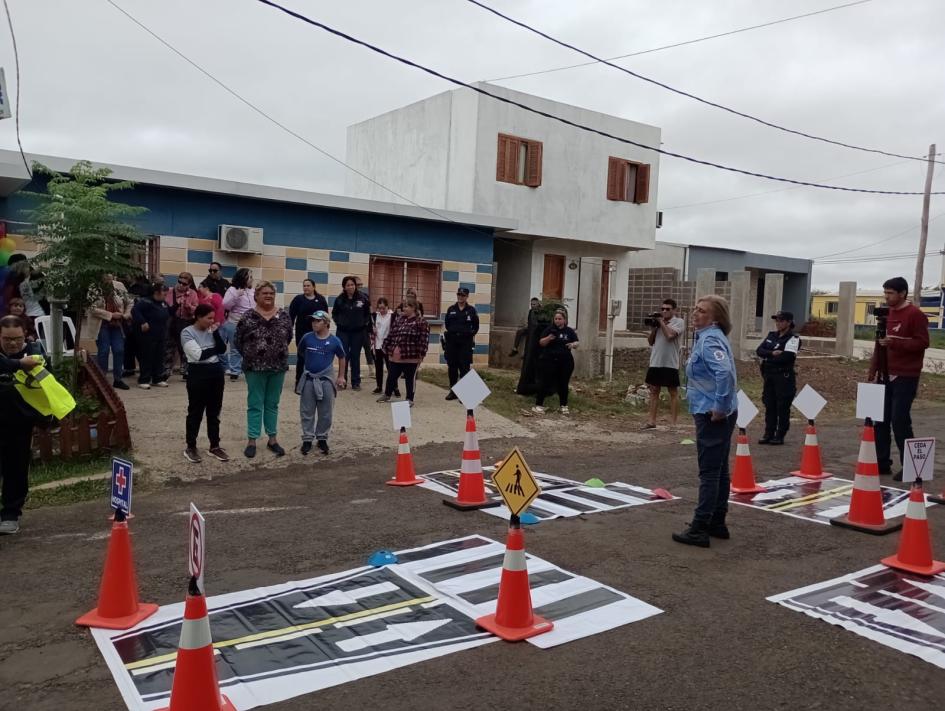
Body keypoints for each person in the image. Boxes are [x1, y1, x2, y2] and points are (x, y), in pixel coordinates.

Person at [672, 295, 738, 548]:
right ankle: (717, 521)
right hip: (714, 410)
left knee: (709, 472)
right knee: (719, 470)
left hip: (712, 413)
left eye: (701, 311)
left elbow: (725, 374)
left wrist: (719, 407)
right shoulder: (708, 337)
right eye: (695, 309)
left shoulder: (710, 339)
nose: (695, 314)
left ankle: (700, 527)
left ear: (715, 317)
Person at [868, 276, 930, 480]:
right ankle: (882, 462)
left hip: (905, 375)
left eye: (890, 293)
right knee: (881, 419)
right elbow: (880, 343)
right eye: (885, 292)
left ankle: (911, 467)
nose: (886, 297)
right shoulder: (886, 314)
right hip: (885, 373)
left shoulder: (915, 315)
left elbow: (922, 343)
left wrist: (895, 343)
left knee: (900, 420)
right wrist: (873, 369)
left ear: (902, 293)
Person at [234, 281, 293, 459]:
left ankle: (272, 439)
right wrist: (252, 354)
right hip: (254, 368)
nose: (268, 295)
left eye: (271, 293)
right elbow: (238, 340)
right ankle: (252, 440)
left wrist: (275, 352)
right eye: (264, 293)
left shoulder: (283, 315)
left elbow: (288, 337)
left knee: (272, 403)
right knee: (255, 403)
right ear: (256, 296)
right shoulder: (248, 316)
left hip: (278, 367)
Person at [0, 316, 46, 534]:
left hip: (19, 423)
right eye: (7, 339)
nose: (12, 343)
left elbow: (49, 384)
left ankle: (10, 513)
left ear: (25, 335)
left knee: (16, 469)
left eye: (17, 339)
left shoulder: (35, 354)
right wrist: (18, 365)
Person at [181, 304, 229, 464]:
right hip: (198, 374)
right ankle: (191, 446)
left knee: (214, 412)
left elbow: (222, 349)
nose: (212, 321)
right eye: (208, 318)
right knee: (195, 411)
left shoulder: (212, 331)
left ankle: (214, 445)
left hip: (216, 373)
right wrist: (213, 350)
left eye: (213, 317)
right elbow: (198, 355)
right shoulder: (187, 332)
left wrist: (215, 333)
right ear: (198, 317)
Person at [296, 310, 347, 455]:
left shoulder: (335, 341)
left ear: (326, 323)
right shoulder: (307, 338)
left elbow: (342, 357)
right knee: (307, 410)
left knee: (326, 411)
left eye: (317, 321)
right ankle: (307, 439)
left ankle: (322, 438)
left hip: (326, 380)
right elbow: (301, 352)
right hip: (309, 379)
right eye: (312, 320)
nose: (314, 323)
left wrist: (341, 376)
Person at [756, 310, 801, 445]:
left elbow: (786, 357)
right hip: (769, 375)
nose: (778, 323)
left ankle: (780, 434)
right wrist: (772, 353)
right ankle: (768, 433)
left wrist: (768, 356)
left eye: (781, 320)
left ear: (788, 322)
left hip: (783, 377)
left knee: (782, 406)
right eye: (777, 320)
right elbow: (759, 350)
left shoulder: (793, 339)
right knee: (769, 404)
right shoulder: (772, 335)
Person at [378, 297, 429, 406]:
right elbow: (392, 334)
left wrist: (422, 354)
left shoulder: (421, 322)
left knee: (410, 379)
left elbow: (424, 340)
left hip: (411, 356)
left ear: (413, 308)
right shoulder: (399, 319)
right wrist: (385, 345)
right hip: (396, 356)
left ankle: (409, 399)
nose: (403, 309)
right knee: (391, 376)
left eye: (406, 306)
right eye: (403, 306)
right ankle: (387, 394)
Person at [643, 299, 686, 428]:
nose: (664, 311)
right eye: (662, 309)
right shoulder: (659, 324)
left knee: (673, 392)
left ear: (674, 310)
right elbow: (650, 342)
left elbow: (670, 335)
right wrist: (654, 329)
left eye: (667, 309)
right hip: (656, 361)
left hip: (670, 363)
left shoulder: (679, 322)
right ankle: (651, 421)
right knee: (654, 391)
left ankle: (673, 422)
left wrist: (661, 322)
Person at [88, 273, 134, 390]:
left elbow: (129, 302)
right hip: (101, 324)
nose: (109, 280)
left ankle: (118, 379)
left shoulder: (119, 286)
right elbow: (91, 308)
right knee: (103, 351)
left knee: (119, 350)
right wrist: (111, 315)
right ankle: (102, 379)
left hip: (117, 324)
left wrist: (126, 314)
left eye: (110, 277)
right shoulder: (93, 288)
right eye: (106, 277)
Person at [532, 309, 579, 415]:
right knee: (545, 382)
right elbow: (541, 343)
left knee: (563, 383)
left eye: (560, 319)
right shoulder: (550, 330)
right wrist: (549, 338)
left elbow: (576, 342)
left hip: (565, 362)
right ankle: (539, 405)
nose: (557, 321)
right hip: (549, 361)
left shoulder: (569, 331)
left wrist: (573, 345)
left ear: (564, 320)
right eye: (556, 319)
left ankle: (564, 406)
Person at [331, 275, 371, 391]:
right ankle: (342, 381)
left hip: (358, 332)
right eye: (348, 285)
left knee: (355, 356)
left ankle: (356, 382)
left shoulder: (363, 298)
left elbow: (367, 313)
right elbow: (334, 314)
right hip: (343, 332)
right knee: (343, 356)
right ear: (344, 287)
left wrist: (363, 323)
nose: (351, 287)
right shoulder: (339, 299)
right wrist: (339, 323)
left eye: (352, 284)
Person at [288, 279, 329, 386]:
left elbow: (326, 317)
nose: (306, 287)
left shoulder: (320, 299)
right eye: (304, 286)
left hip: (318, 333)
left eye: (308, 285)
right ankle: (299, 382)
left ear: (314, 287)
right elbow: (291, 316)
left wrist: (326, 331)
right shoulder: (298, 299)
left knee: (317, 356)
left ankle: (316, 380)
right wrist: (289, 330)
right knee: (302, 357)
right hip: (302, 333)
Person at [132, 284, 171, 389]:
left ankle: (158, 379)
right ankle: (144, 379)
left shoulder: (163, 303)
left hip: (161, 334)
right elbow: (135, 311)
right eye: (164, 293)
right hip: (148, 335)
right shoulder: (145, 302)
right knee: (147, 357)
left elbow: (169, 312)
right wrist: (143, 322)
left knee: (159, 357)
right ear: (156, 293)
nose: (165, 295)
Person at [443, 287, 480, 400]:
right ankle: (453, 391)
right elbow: (447, 324)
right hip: (452, 342)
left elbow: (476, 326)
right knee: (452, 367)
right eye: (459, 294)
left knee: (464, 368)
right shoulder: (451, 309)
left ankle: (464, 394)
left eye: (463, 295)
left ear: (467, 296)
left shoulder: (471, 310)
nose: (460, 297)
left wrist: (469, 334)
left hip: (465, 343)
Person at [221, 268, 255, 381]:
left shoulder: (252, 291)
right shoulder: (233, 289)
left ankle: (248, 369)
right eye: (249, 277)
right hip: (235, 322)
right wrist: (236, 295)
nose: (252, 279)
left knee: (250, 347)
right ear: (243, 278)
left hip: (250, 323)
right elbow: (225, 304)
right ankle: (235, 371)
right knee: (235, 348)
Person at [164, 272, 199, 379]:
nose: (181, 285)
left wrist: (189, 307)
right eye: (179, 282)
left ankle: (185, 370)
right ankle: (166, 370)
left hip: (186, 322)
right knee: (169, 346)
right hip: (171, 322)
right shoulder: (170, 292)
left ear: (189, 284)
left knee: (185, 347)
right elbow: (165, 306)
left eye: (184, 284)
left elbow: (196, 309)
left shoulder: (192, 293)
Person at [371, 297, 399, 396]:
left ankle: (395, 387)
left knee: (391, 368)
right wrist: (372, 330)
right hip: (377, 345)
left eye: (383, 308)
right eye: (380, 308)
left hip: (388, 345)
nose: (382, 310)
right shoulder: (374, 316)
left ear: (387, 307)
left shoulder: (393, 316)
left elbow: (396, 330)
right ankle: (379, 386)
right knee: (378, 367)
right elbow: (370, 327)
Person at [355, 277, 375, 377]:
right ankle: (356, 371)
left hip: (365, 328)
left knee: (368, 348)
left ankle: (371, 370)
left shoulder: (365, 296)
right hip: (353, 329)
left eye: (361, 285)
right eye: (358, 285)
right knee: (356, 350)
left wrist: (371, 325)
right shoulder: (347, 297)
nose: (360, 287)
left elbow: (370, 311)